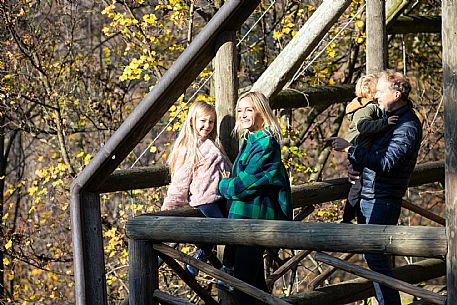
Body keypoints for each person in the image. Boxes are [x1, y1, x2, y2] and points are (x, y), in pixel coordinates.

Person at [329, 70, 423, 305]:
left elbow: (386, 163)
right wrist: (357, 168)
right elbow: (374, 155)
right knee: (372, 258)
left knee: (376, 260)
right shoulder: (387, 118)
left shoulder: (407, 125)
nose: (377, 96)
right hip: (370, 194)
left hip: (383, 198)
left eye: (381, 92)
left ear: (397, 94)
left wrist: (350, 150)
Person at [217, 91, 292, 304]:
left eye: (249, 109)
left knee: (243, 290)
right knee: (255, 289)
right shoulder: (249, 140)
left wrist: (222, 185)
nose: (243, 115)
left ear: (262, 112)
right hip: (243, 221)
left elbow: (243, 186)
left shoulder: (265, 143)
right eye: (239, 110)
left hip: (255, 221)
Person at [161, 101, 232, 277]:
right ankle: (205, 263)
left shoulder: (212, 144)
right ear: (192, 120)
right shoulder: (189, 147)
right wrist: (168, 209)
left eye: (211, 122)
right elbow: (180, 181)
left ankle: (212, 262)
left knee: (224, 230)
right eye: (203, 121)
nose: (207, 126)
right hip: (205, 199)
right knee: (226, 231)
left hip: (220, 196)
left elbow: (225, 168)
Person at [340, 74, 398, 224]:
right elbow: (363, 126)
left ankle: (356, 217)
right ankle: (347, 218)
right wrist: (385, 123)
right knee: (358, 185)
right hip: (358, 150)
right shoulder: (369, 107)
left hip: (357, 150)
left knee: (359, 184)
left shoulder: (359, 106)